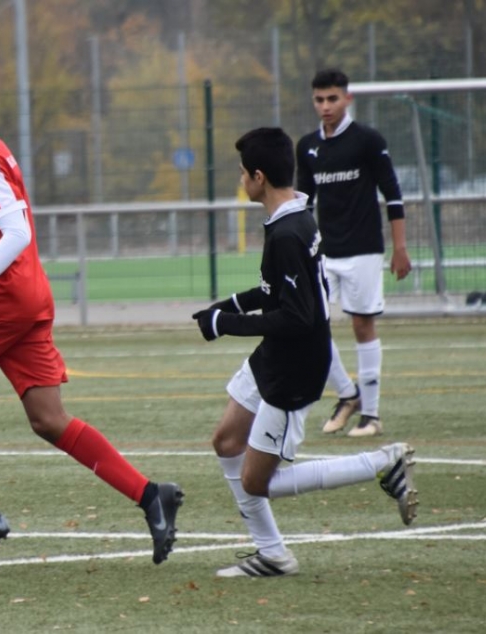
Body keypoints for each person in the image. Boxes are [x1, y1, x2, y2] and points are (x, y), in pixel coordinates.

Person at [0, 58, 182, 566]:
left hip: (1, 301)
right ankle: (150, 495)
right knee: (49, 420)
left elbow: (18, 232)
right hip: (26, 296)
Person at [194, 127, 418, 578]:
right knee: (226, 441)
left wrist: (227, 324)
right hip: (275, 355)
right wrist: (225, 308)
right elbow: (274, 291)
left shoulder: (289, 233)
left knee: (257, 481)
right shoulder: (294, 216)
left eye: (242, 172)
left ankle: (382, 462)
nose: (241, 180)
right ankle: (271, 553)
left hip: (295, 366)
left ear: (259, 177)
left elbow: (296, 317)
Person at [296, 68, 412, 438]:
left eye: (332, 98)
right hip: (324, 253)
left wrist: (400, 248)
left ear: (347, 99)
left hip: (363, 250)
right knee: (307, 324)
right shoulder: (307, 147)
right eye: (319, 99)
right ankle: (348, 395)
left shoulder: (368, 140)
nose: (325, 106)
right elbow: (303, 205)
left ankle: (371, 416)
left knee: (362, 325)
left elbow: (393, 195)